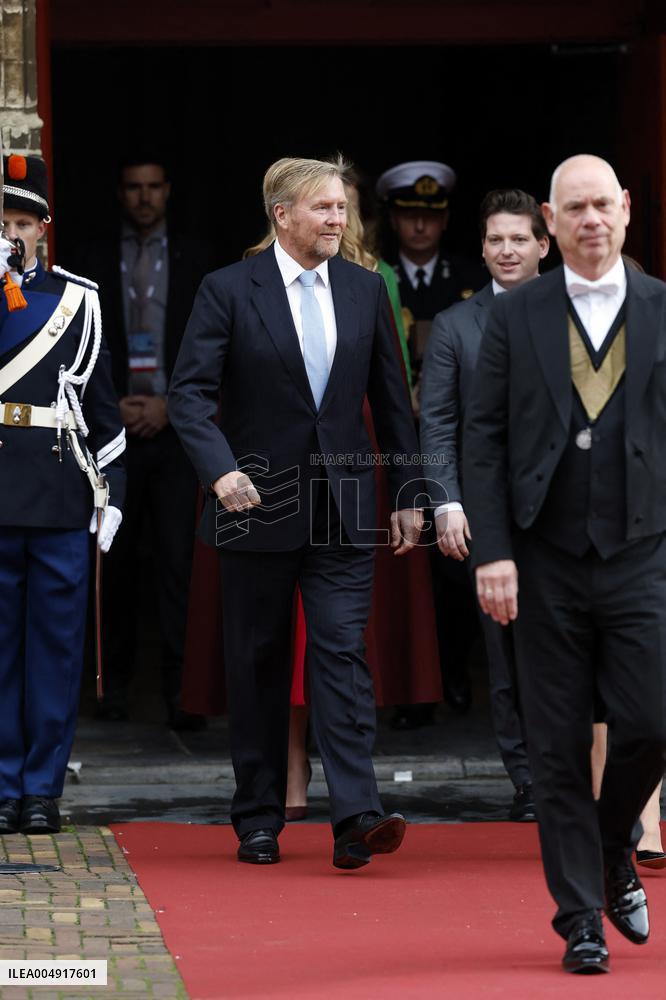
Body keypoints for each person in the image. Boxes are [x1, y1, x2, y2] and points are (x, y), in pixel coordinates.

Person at [168, 154, 424, 869]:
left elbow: (391, 404)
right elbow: (188, 396)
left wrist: (408, 494)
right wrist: (219, 473)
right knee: (258, 662)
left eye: (342, 208)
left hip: (345, 505)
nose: (339, 220)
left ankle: (356, 817)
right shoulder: (227, 290)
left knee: (342, 655)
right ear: (282, 214)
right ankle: (256, 817)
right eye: (323, 209)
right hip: (254, 503)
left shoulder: (366, 289)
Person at [464, 153, 666, 974]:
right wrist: (494, 553)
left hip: (641, 553)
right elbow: (482, 441)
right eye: (572, 209)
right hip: (542, 559)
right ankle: (580, 914)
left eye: (600, 205)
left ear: (625, 209)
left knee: (651, 721)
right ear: (550, 222)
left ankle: (614, 845)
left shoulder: (660, 307)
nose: (589, 220)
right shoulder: (515, 317)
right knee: (553, 746)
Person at [0, 153, 125, 835]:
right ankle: (1, 782)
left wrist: (115, 495)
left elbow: (101, 410)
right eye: (4, 221)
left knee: (53, 648)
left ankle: (42, 788)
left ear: (45, 228)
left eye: (24, 221)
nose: (14, 233)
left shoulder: (78, 299)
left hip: (57, 490)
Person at [420, 189, 550, 822]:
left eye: (519, 239)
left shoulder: (575, 312)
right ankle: (527, 778)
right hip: (491, 516)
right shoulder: (455, 325)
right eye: (496, 239)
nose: (506, 250)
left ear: (543, 246)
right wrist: (445, 503)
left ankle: (578, 772)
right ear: (481, 246)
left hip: (566, 515)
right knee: (504, 655)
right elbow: (438, 424)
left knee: (572, 649)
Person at [81, 153, 215, 730]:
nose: (143, 197)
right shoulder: (88, 261)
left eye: (153, 187)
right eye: (133, 187)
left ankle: (184, 694)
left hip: (177, 427)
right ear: (119, 193)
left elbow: (210, 345)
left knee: (178, 563)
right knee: (112, 560)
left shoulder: (197, 260)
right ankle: (111, 690)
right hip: (109, 430)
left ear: (168, 192)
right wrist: (108, 405)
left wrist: (170, 404)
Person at [375, 159, 485, 728]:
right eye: (409, 216)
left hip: (453, 435)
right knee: (401, 560)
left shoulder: (472, 278)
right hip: (394, 438)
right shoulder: (375, 276)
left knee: (454, 565)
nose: (420, 228)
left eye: (430, 217)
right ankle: (410, 688)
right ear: (392, 219)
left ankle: (457, 673)